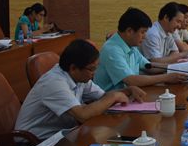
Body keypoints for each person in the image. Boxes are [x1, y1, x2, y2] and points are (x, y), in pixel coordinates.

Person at [15, 39, 146, 140]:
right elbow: (82, 115)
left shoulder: (79, 77)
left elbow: (103, 96)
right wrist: (114, 96)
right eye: (91, 69)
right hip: (33, 142)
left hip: (60, 135)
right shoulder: (54, 82)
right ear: (73, 68)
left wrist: (128, 90)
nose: (94, 73)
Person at [94, 7, 186, 91]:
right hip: (110, 101)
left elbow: (148, 66)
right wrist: (166, 77)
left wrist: (176, 67)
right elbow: (131, 80)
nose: (145, 37)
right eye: (142, 32)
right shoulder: (112, 50)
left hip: (128, 96)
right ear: (129, 31)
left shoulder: (131, 46)